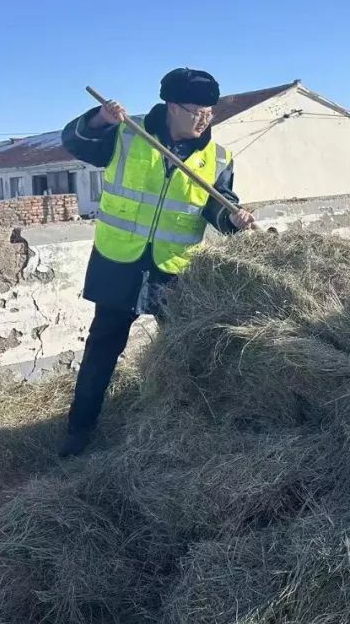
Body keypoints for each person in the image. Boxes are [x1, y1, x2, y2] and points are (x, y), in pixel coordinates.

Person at [57, 67, 255, 457]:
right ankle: (79, 431)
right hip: (120, 262)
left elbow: (216, 206)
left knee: (181, 354)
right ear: (171, 107)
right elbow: (75, 142)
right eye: (196, 109)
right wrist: (100, 119)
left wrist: (233, 216)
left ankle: (179, 429)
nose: (204, 117)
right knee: (102, 350)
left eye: (209, 111)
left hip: (174, 269)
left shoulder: (216, 156)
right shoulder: (128, 134)